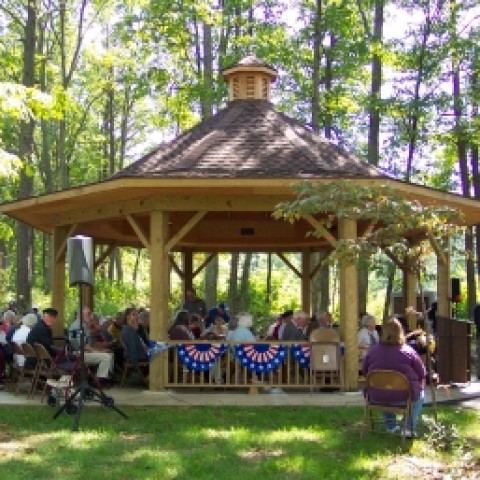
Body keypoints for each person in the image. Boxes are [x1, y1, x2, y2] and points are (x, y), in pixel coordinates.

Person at [362, 317, 426, 438]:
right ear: (401, 332)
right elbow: (422, 373)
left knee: (384, 387)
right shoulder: (409, 352)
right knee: (421, 396)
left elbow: (365, 371)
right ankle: (407, 428)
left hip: (376, 396)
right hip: (404, 397)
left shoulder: (372, 351)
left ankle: (391, 426)